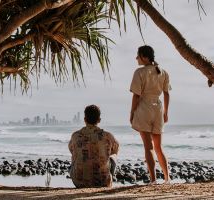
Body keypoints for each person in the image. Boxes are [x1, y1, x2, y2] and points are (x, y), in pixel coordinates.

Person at [129, 45, 171, 184]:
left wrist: (132, 112)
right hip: (158, 109)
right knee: (159, 147)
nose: (136, 58)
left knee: (149, 147)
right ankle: (167, 178)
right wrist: (166, 112)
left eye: (138, 55)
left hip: (144, 109)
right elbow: (166, 93)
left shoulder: (139, 72)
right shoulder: (163, 72)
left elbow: (136, 96)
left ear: (145, 57)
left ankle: (153, 180)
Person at [68, 105, 119, 188]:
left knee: (74, 159)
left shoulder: (75, 136)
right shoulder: (108, 136)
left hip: (79, 182)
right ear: (99, 120)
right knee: (114, 156)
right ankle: (109, 181)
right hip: (103, 182)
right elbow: (115, 149)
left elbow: (72, 150)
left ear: (85, 119)